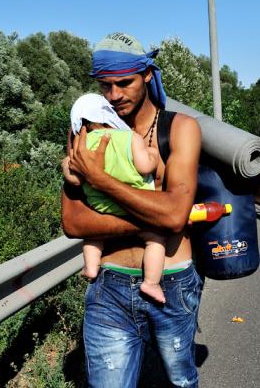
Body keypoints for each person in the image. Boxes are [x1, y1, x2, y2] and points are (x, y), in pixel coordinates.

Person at [61, 32, 203, 387]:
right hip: (108, 284)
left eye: (124, 83)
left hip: (171, 283)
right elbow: (73, 222)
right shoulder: (84, 132)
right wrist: (151, 219)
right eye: (105, 86)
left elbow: (174, 215)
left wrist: (102, 180)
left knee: (179, 383)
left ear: (147, 75)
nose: (114, 95)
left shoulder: (179, 129)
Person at [64, 93, 166, 303]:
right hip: (134, 204)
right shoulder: (130, 138)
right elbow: (145, 166)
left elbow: (74, 180)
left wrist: (65, 163)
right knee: (155, 239)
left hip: (100, 206)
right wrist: (153, 154)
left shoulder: (82, 147)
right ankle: (151, 283)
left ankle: (91, 267)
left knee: (93, 238)